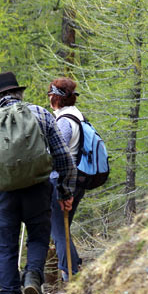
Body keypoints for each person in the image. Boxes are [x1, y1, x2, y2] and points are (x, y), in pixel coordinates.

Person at [0, 71, 77, 294]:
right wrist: (65, 190)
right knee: (38, 238)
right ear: (20, 93)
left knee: (5, 247)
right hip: (38, 188)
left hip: (3, 195)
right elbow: (63, 157)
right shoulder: (40, 114)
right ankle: (32, 278)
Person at [47, 77, 85, 282]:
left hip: (62, 181)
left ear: (55, 97)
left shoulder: (63, 122)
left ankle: (71, 274)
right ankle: (75, 267)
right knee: (63, 229)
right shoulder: (78, 116)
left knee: (59, 230)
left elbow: (56, 153)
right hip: (79, 178)